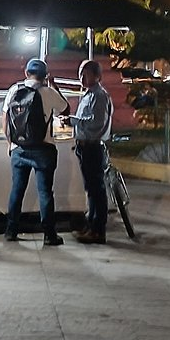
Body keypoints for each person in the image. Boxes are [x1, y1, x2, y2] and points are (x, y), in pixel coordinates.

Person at [3, 58, 70, 246]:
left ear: (26, 73)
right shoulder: (48, 92)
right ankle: (49, 235)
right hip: (44, 149)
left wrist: (10, 143)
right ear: (45, 76)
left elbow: (5, 120)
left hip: (19, 149)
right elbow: (66, 109)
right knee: (45, 193)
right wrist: (53, 85)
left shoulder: (14, 90)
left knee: (17, 191)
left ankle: (11, 231)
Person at [66, 59, 113, 245]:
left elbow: (96, 123)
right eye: (80, 73)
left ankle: (98, 230)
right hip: (84, 146)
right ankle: (90, 226)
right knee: (91, 189)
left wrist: (73, 121)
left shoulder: (99, 96)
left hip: (93, 147)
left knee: (96, 190)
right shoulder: (88, 94)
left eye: (85, 74)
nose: (81, 78)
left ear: (97, 76)